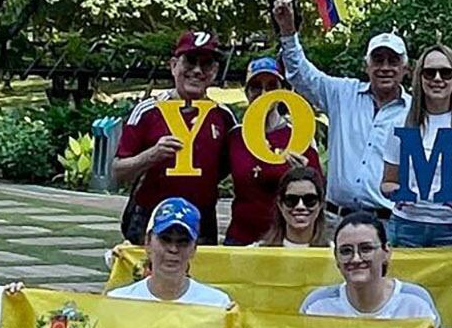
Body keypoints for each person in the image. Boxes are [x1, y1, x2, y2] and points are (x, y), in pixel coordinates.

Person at [270, 0, 410, 212]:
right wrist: (288, 31)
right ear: (366, 66)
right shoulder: (343, 94)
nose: (385, 67)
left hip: (389, 222)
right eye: (378, 60)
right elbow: (301, 74)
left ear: (405, 69)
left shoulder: (416, 111)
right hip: (338, 219)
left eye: (393, 61)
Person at [112, 33, 235, 244]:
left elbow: (230, 166)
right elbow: (117, 171)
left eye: (206, 64)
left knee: (199, 275)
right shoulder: (148, 111)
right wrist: (151, 155)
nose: (197, 71)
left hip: (201, 218)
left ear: (214, 71)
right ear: (173, 65)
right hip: (150, 215)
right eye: (190, 61)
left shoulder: (223, 116)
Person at [379, 45, 452, 249]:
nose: (437, 79)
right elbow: (387, 183)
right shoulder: (400, 122)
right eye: (429, 73)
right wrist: (401, 193)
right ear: (419, 78)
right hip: (406, 226)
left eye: (446, 73)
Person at [299, 210, 449, 328]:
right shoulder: (316, 306)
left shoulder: (416, 303)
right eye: (346, 251)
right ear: (336, 258)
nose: (356, 258)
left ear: (386, 252)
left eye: (366, 249)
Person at [226, 56, 322, 246]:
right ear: (246, 92)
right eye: (256, 87)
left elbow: (318, 189)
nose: (263, 94)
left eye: (271, 87)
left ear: (283, 92)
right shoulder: (235, 137)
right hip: (240, 239)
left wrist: (303, 172)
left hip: (282, 242)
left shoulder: (299, 136)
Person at [103, 198, 233, 308]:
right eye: (165, 239)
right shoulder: (119, 302)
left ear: (194, 248)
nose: (173, 249)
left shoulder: (216, 304)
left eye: (183, 242)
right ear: (148, 242)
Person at [258, 162, 334, 249]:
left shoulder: (334, 253)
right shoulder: (256, 252)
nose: (300, 206)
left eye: (309, 200)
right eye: (291, 200)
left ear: (320, 204)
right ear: (280, 205)